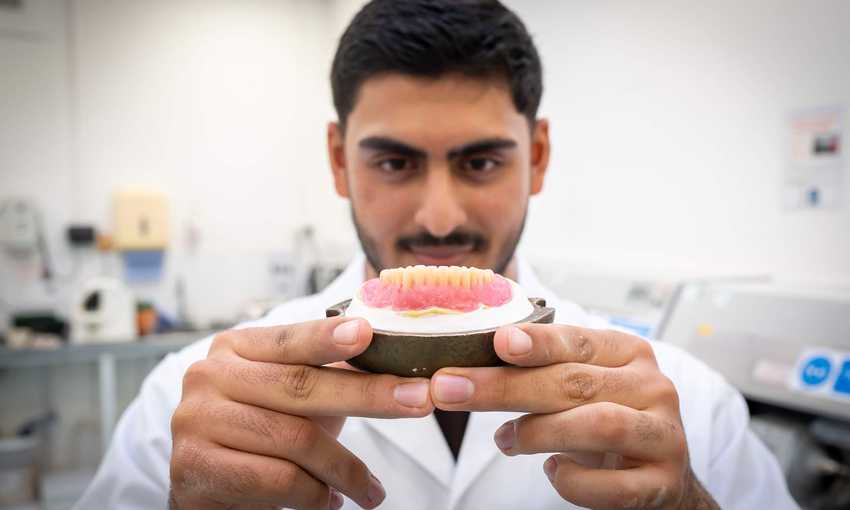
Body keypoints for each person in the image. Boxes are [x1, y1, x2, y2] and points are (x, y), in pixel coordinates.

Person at [75, 1, 798, 509]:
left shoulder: (683, 407)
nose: (439, 216)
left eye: (480, 163)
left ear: (537, 157)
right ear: (337, 160)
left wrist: (688, 506)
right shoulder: (189, 402)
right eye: (394, 163)